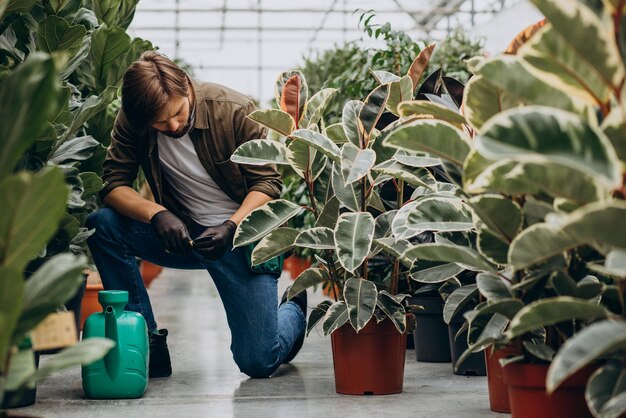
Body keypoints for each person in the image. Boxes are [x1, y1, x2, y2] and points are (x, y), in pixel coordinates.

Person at [86, 51, 307, 379]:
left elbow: (268, 183)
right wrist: (157, 214)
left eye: (177, 113)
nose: (172, 126)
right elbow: (112, 184)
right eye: (160, 124)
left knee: (258, 361)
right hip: (183, 237)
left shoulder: (234, 109)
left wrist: (231, 227)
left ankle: (293, 312)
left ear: (187, 87)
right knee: (102, 225)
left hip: (239, 240)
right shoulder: (135, 118)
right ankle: (146, 345)